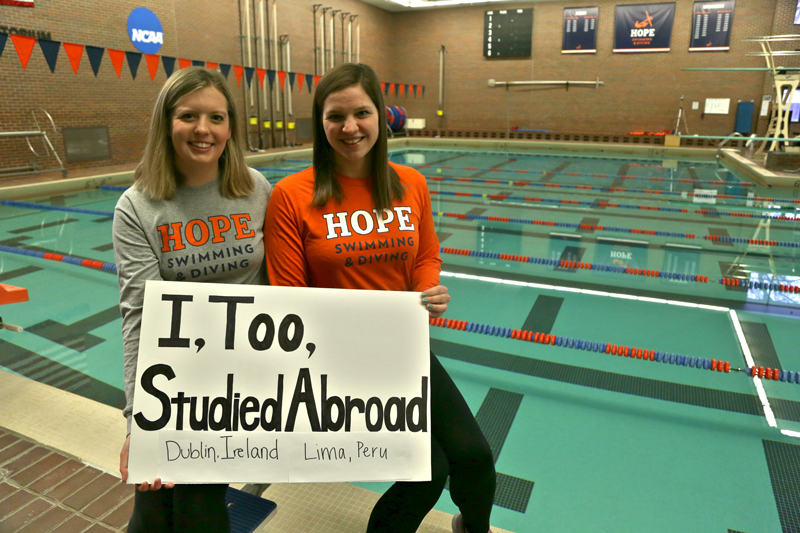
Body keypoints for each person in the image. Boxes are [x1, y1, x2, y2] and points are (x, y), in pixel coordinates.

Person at [265, 63, 496, 533]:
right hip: (337, 362)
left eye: (361, 113)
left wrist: (428, 290)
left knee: (474, 458)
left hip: (402, 348)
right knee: (427, 472)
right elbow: (288, 297)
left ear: (381, 117)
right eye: (335, 116)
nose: (349, 128)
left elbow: (427, 254)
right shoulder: (291, 195)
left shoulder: (410, 184)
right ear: (321, 122)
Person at [112, 66, 271, 532]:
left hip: (245, 378)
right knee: (156, 504)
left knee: (191, 503)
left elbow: (287, 284)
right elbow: (139, 318)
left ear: (230, 128)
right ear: (166, 123)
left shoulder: (255, 188)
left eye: (217, 118)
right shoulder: (138, 207)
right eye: (189, 116)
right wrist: (136, 423)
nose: (204, 130)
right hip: (180, 382)